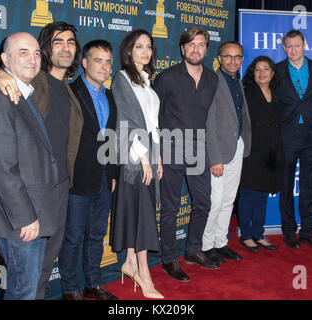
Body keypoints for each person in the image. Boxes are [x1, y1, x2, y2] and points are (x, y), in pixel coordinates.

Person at [0, 22, 82, 300]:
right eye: (23, 52)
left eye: (34, 53)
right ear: (5, 60)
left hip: (51, 196)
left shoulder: (49, 89)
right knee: (23, 290)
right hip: (24, 211)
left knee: (33, 282)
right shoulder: (8, 91)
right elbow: (1, 166)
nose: (31, 59)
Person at [153, 27, 219, 283]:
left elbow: (213, 118)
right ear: (182, 49)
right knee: (170, 206)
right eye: (190, 44)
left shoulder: (212, 79)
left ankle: (193, 251)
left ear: (206, 49)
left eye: (200, 44)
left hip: (199, 147)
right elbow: (154, 118)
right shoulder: (167, 77)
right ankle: (169, 259)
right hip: (171, 146)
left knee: (203, 203)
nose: (195, 49)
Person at [58, 40, 118, 300]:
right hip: (77, 179)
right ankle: (70, 290)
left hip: (104, 180)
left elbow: (113, 136)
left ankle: (93, 283)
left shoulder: (110, 94)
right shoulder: (69, 93)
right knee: (72, 238)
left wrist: (113, 173)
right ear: (84, 63)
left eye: (108, 62)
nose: (104, 67)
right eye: (98, 60)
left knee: (96, 235)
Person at [110, 29, 163, 299]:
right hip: (134, 157)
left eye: (149, 47)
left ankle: (130, 261)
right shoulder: (121, 79)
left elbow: (152, 124)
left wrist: (158, 157)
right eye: (139, 46)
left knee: (140, 209)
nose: (145, 52)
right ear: (129, 50)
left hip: (149, 153)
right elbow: (127, 122)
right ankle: (143, 273)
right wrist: (144, 158)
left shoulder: (145, 80)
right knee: (142, 213)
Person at [276, 30, 312, 249]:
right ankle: (288, 231)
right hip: (288, 134)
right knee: (285, 184)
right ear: (284, 47)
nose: (293, 50)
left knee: (310, 185)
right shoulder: (278, 70)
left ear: (304, 45)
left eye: (297, 46)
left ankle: (307, 231)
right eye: (289, 46)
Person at [202, 41, 251, 263]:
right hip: (219, 151)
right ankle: (205, 246)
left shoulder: (238, 80)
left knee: (229, 199)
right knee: (216, 200)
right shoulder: (213, 81)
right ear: (219, 58)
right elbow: (209, 122)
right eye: (228, 56)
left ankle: (221, 242)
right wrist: (215, 157)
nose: (233, 60)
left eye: (238, 56)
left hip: (237, 146)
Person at [237, 56, 283, 252]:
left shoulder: (278, 93)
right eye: (258, 69)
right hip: (251, 151)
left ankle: (258, 233)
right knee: (248, 194)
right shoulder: (246, 94)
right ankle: (246, 235)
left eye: (266, 69)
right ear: (252, 73)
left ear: (273, 73)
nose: (262, 73)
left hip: (271, 153)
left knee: (262, 195)